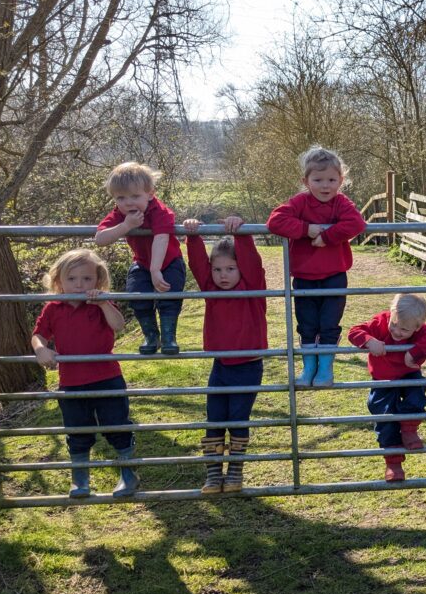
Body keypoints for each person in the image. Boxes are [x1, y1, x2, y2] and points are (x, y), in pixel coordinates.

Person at [31, 249, 139, 498]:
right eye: (72, 279)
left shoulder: (101, 303)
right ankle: (80, 480)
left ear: (97, 280)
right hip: (71, 382)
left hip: (107, 378)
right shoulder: (53, 308)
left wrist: (103, 302)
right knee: (77, 431)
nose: (79, 284)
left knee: (117, 426)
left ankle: (129, 475)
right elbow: (38, 334)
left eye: (87, 279)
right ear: (59, 281)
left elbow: (118, 325)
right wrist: (41, 349)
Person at [267, 146, 367, 386]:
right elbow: (275, 221)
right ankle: (308, 368)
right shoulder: (300, 203)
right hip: (304, 277)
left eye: (332, 180)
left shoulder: (341, 203)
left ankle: (325, 370)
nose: (325, 186)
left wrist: (327, 236)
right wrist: (306, 229)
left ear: (341, 181)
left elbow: (356, 223)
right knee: (307, 323)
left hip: (334, 276)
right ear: (306, 181)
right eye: (318, 179)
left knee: (329, 323)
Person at [184, 216, 267, 494]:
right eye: (218, 269)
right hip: (221, 366)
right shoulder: (211, 290)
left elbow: (252, 262)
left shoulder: (252, 288)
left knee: (237, 419)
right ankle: (212, 474)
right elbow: (197, 266)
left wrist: (241, 233)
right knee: (215, 418)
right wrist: (193, 237)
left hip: (248, 367)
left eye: (231, 268)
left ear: (241, 269)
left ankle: (235, 472)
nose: (223, 275)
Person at [348, 294, 426, 483]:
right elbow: (354, 331)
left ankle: (409, 430)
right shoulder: (381, 321)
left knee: (417, 396)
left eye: (404, 329)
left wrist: (415, 352)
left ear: (417, 327)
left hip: (408, 373)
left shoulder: (421, 330)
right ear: (391, 315)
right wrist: (369, 340)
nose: (397, 331)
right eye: (394, 324)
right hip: (382, 377)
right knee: (384, 417)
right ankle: (393, 463)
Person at [94, 162, 185, 355]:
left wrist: (155, 270)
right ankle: (151, 336)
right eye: (121, 198)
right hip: (141, 263)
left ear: (150, 194)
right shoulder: (121, 214)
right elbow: (100, 239)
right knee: (137, 296)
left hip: (169, 262)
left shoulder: (159, 211)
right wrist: (125, 226)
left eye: (135, 196)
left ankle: (169, 337)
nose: (128, 203)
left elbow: (161, 238)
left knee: (169, 297)